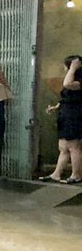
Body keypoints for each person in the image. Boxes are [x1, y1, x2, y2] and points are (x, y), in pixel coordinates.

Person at [41, 55, 82, 183]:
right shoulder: (71, 78)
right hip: (66, 115)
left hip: (74, 116)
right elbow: (67, 98)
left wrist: (73, 68)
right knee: (63, 147)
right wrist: (56, 107)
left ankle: (76, 174)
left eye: (65, 65)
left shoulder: (78, 81)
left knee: (74, 146)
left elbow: (67, 84)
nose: (63, 68)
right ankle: (56, 173)